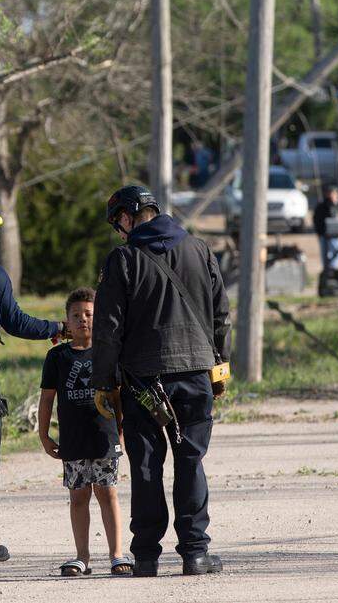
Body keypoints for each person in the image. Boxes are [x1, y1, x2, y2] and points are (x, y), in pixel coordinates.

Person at [92, 184, 231, 578]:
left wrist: (104, 383)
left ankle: (147, 557)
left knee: (147, 466)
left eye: (118, 221)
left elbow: (108, 328)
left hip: (143, 382)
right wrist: (219, 363)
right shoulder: (199, 249)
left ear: (128, 215)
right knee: (191, 461)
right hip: (195, 374)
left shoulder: (123, 259)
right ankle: (195, 554)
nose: (119, 230)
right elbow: (222, 313)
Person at [37, 287, 133, 577]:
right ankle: (82, 556)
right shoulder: (57, 357)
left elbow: (118, 396)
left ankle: (117, 554)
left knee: (107, 494)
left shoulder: (109, 353)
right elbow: (47, 399)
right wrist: (44, 435)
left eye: (89, 314)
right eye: (76, 315)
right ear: (66, 321)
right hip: (73, 440)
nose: (83, 320)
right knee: (78, 497)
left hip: (104, 438)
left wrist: (122, 432)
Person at [312, 186, 338, 271]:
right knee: (337, 254)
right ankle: (330, 270)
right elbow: (331, 220)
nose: (336, 197)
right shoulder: (328, 206)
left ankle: (329, 270)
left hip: (328, 234)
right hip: (328, 235)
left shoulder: (334, 205)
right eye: (335, 195)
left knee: (332, 255)